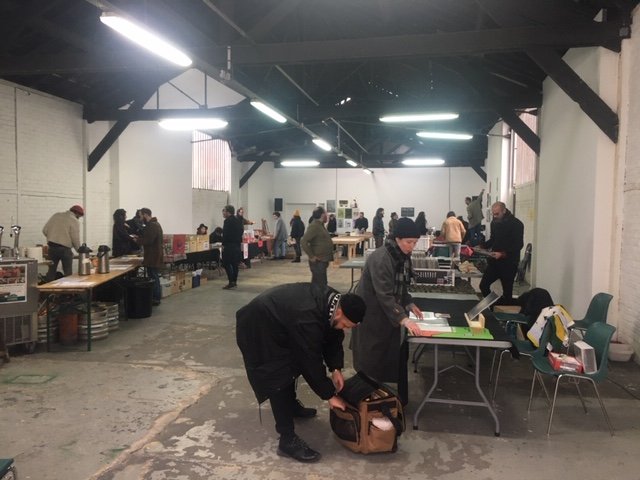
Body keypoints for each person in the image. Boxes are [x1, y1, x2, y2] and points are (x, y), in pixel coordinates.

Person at [236, 283, 367, 463]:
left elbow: (333, 336)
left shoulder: (335, 303)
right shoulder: (308, 318)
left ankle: (290, 405)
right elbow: (310, 359)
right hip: (258, 326)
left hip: (280, 321)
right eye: (346, 324)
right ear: (339, 313)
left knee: (292, 362)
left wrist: (335, 368)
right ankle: (287, 440)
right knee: (278, 376)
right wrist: (329, 395)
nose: (345, 329)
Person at [350, 217, 424, 404]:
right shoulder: (382, 258)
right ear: (397, 239)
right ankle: (364, 402)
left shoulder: (400, 256)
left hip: (385, 315)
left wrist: (409, 303)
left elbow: (401, 286)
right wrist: (404, 319)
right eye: (409, 242)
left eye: (415, 242)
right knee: (370, 359)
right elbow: (384, 294)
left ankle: (379, 397)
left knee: (382, 358)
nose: (412, 247)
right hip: (371, 316)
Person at [477, 201, 524, 303]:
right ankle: (493, 305)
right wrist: (481, 246)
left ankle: (503, 307)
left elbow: (518, 245)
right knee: (483, 286)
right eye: (493, 214)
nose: (495, 216)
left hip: (509, 263)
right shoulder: (494, 223)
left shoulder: (517, 224)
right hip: (495, 262)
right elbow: (493, 239)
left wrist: (503, 254)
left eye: (497, 214)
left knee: (507, 293)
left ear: (504, 211)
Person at [42, 205, 84, 281]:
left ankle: (48, 287)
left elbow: (45, 230)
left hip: (52, 247)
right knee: (68, 273)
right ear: (77, 214)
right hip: (65, 249)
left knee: (51, 271)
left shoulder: (56, 215)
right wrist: (79, 251)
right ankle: (68, 288)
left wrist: (52, 237)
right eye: (80, 216)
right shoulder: (74, 220)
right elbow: (75, 238)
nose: (79, 218)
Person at [135, 208, 163, 306]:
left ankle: (155, 298)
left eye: (141, 215)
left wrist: (137, 240)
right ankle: (155, 297)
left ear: (146, 215)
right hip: (153, 255)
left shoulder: (152, 225)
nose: (140, 218)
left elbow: (149, 240)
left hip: (153, 256)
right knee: (154, 276)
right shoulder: (155, 224)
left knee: (153, 277)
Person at [300, 206, 334, 287]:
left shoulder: (320, 225)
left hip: (322, 260)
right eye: (326, 214)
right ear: (322, 215)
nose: (327, 216)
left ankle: (316, 294)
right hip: (318, 261)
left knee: (318, 283)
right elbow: (304, 241)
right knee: (321, 284)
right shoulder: (314, 226)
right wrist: (311, 256)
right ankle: (318, 295)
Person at [221, 205, 244, 290]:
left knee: (226, 263)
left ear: (228, 212)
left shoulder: (227, 221)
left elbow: (225, 234)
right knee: (235, 264)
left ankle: (231, 282)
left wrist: (223, 244)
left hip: (229, 245)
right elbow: (241, 231)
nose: (223, 213)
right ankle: (234, 281)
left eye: (224, 211)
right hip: (237, 245)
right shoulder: (238, 220)